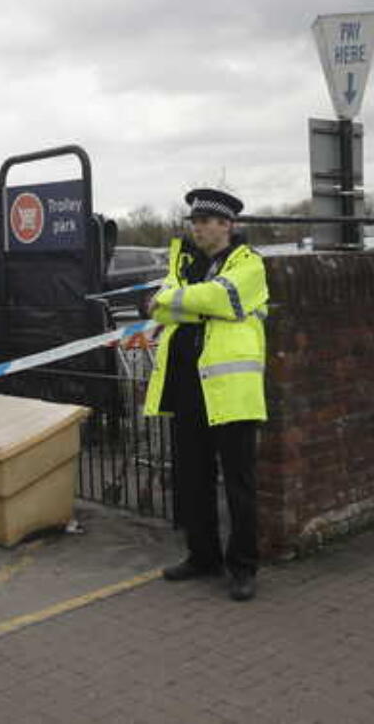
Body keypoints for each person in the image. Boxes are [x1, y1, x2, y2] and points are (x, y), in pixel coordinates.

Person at [144, 188, 269, 601]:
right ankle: (203, 557)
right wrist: (176, 302)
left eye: (206, 221)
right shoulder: (183, 263)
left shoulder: (249, 265)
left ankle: (243, 567)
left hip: (230, 391)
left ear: (227, 225)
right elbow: (164, 307)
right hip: (186, 388)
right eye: (194, 221)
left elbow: (224, 298)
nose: (197, 228)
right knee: (192, 478)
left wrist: (173, 301)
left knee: (238, 483)